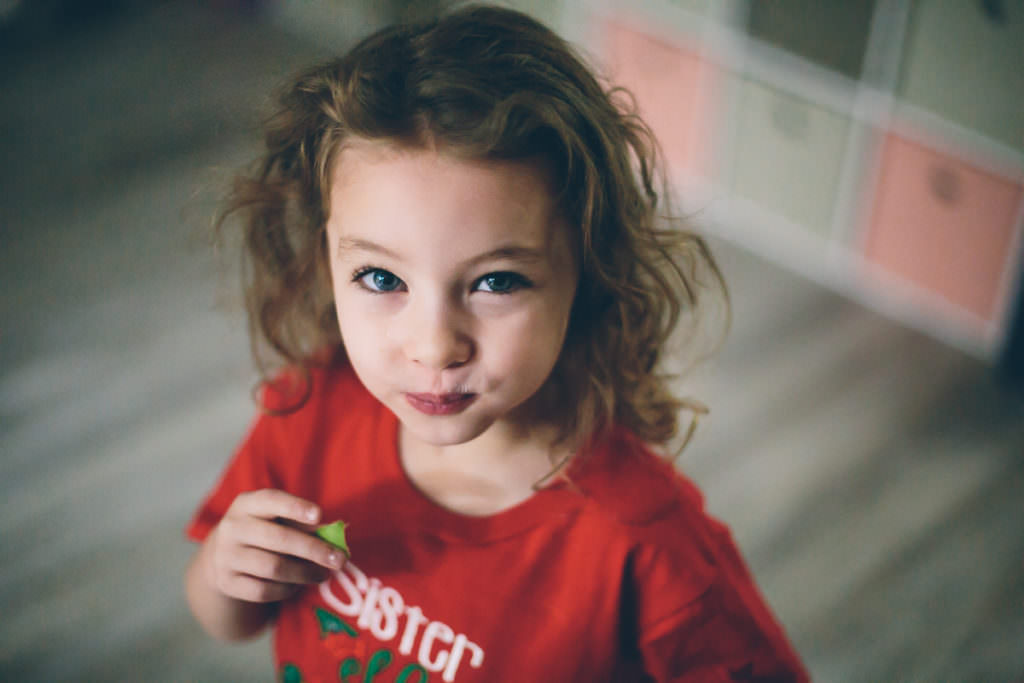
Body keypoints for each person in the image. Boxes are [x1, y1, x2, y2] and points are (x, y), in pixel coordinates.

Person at [184, 4, 809, 681]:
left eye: (497, 281)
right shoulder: (307, 414)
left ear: (586, 268)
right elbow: (230, 619)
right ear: (327, 255)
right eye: (381, 276)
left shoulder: (645, 541)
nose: (434, 346)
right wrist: (225, 571)